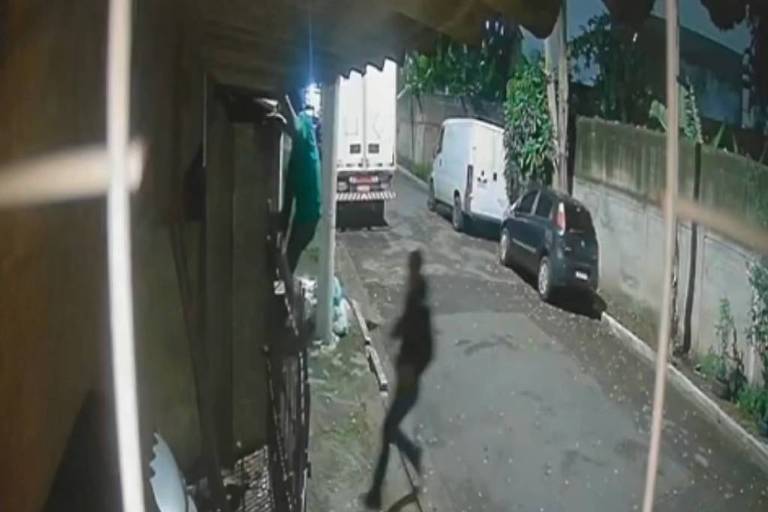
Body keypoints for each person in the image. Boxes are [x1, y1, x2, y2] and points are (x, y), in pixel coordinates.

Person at [365, 250, 434, 509]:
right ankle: (412, 455)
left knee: (387, 431)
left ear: (416, 269)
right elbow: (404, 326)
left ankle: (375, 493)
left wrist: (412, 371)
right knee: (390, 430)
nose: (409, 272)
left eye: (412, 267)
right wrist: (394, 331)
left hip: (410, 384)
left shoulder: (421, 308)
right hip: (405, 380)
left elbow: (428, 350)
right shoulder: (413, 300)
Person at [277, 92, 322, 272]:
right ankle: (288, 291)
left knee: (288, 262)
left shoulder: (304, 122)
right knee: (288, 261)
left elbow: (295, 127)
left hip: (309, 215)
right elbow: (288, 203)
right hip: (305, 214)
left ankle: (291, 295)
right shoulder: (296, 159)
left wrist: (282, 95)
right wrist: (281, 221)